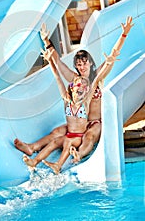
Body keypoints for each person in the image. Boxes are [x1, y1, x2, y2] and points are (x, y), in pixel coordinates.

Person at [14, 16, 134, 163]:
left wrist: (124, 34)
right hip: (79, 123)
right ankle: (31, 147)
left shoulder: (98, 77)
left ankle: (79, 155)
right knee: (56, 132)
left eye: (84, 64)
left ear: (90, 63)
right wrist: (46, 41)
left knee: (88, 137)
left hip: (94, 123)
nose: (81, 67)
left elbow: (112, 55)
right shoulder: (75, 80)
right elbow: (57, 62)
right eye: (78, 64)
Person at [23, 47, 120, 174]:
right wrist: (50, 60)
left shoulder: (85, 101)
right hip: (72, 131)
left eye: (84, 63)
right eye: (77, 86)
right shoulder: (68, 98)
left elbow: (96, 80)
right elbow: (58, 77)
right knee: (55, 138)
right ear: (71, 89)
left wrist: (109, 62)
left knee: (79, 139)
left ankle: (66, 161)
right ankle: (34, 158)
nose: (80, 87)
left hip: (84, 130)